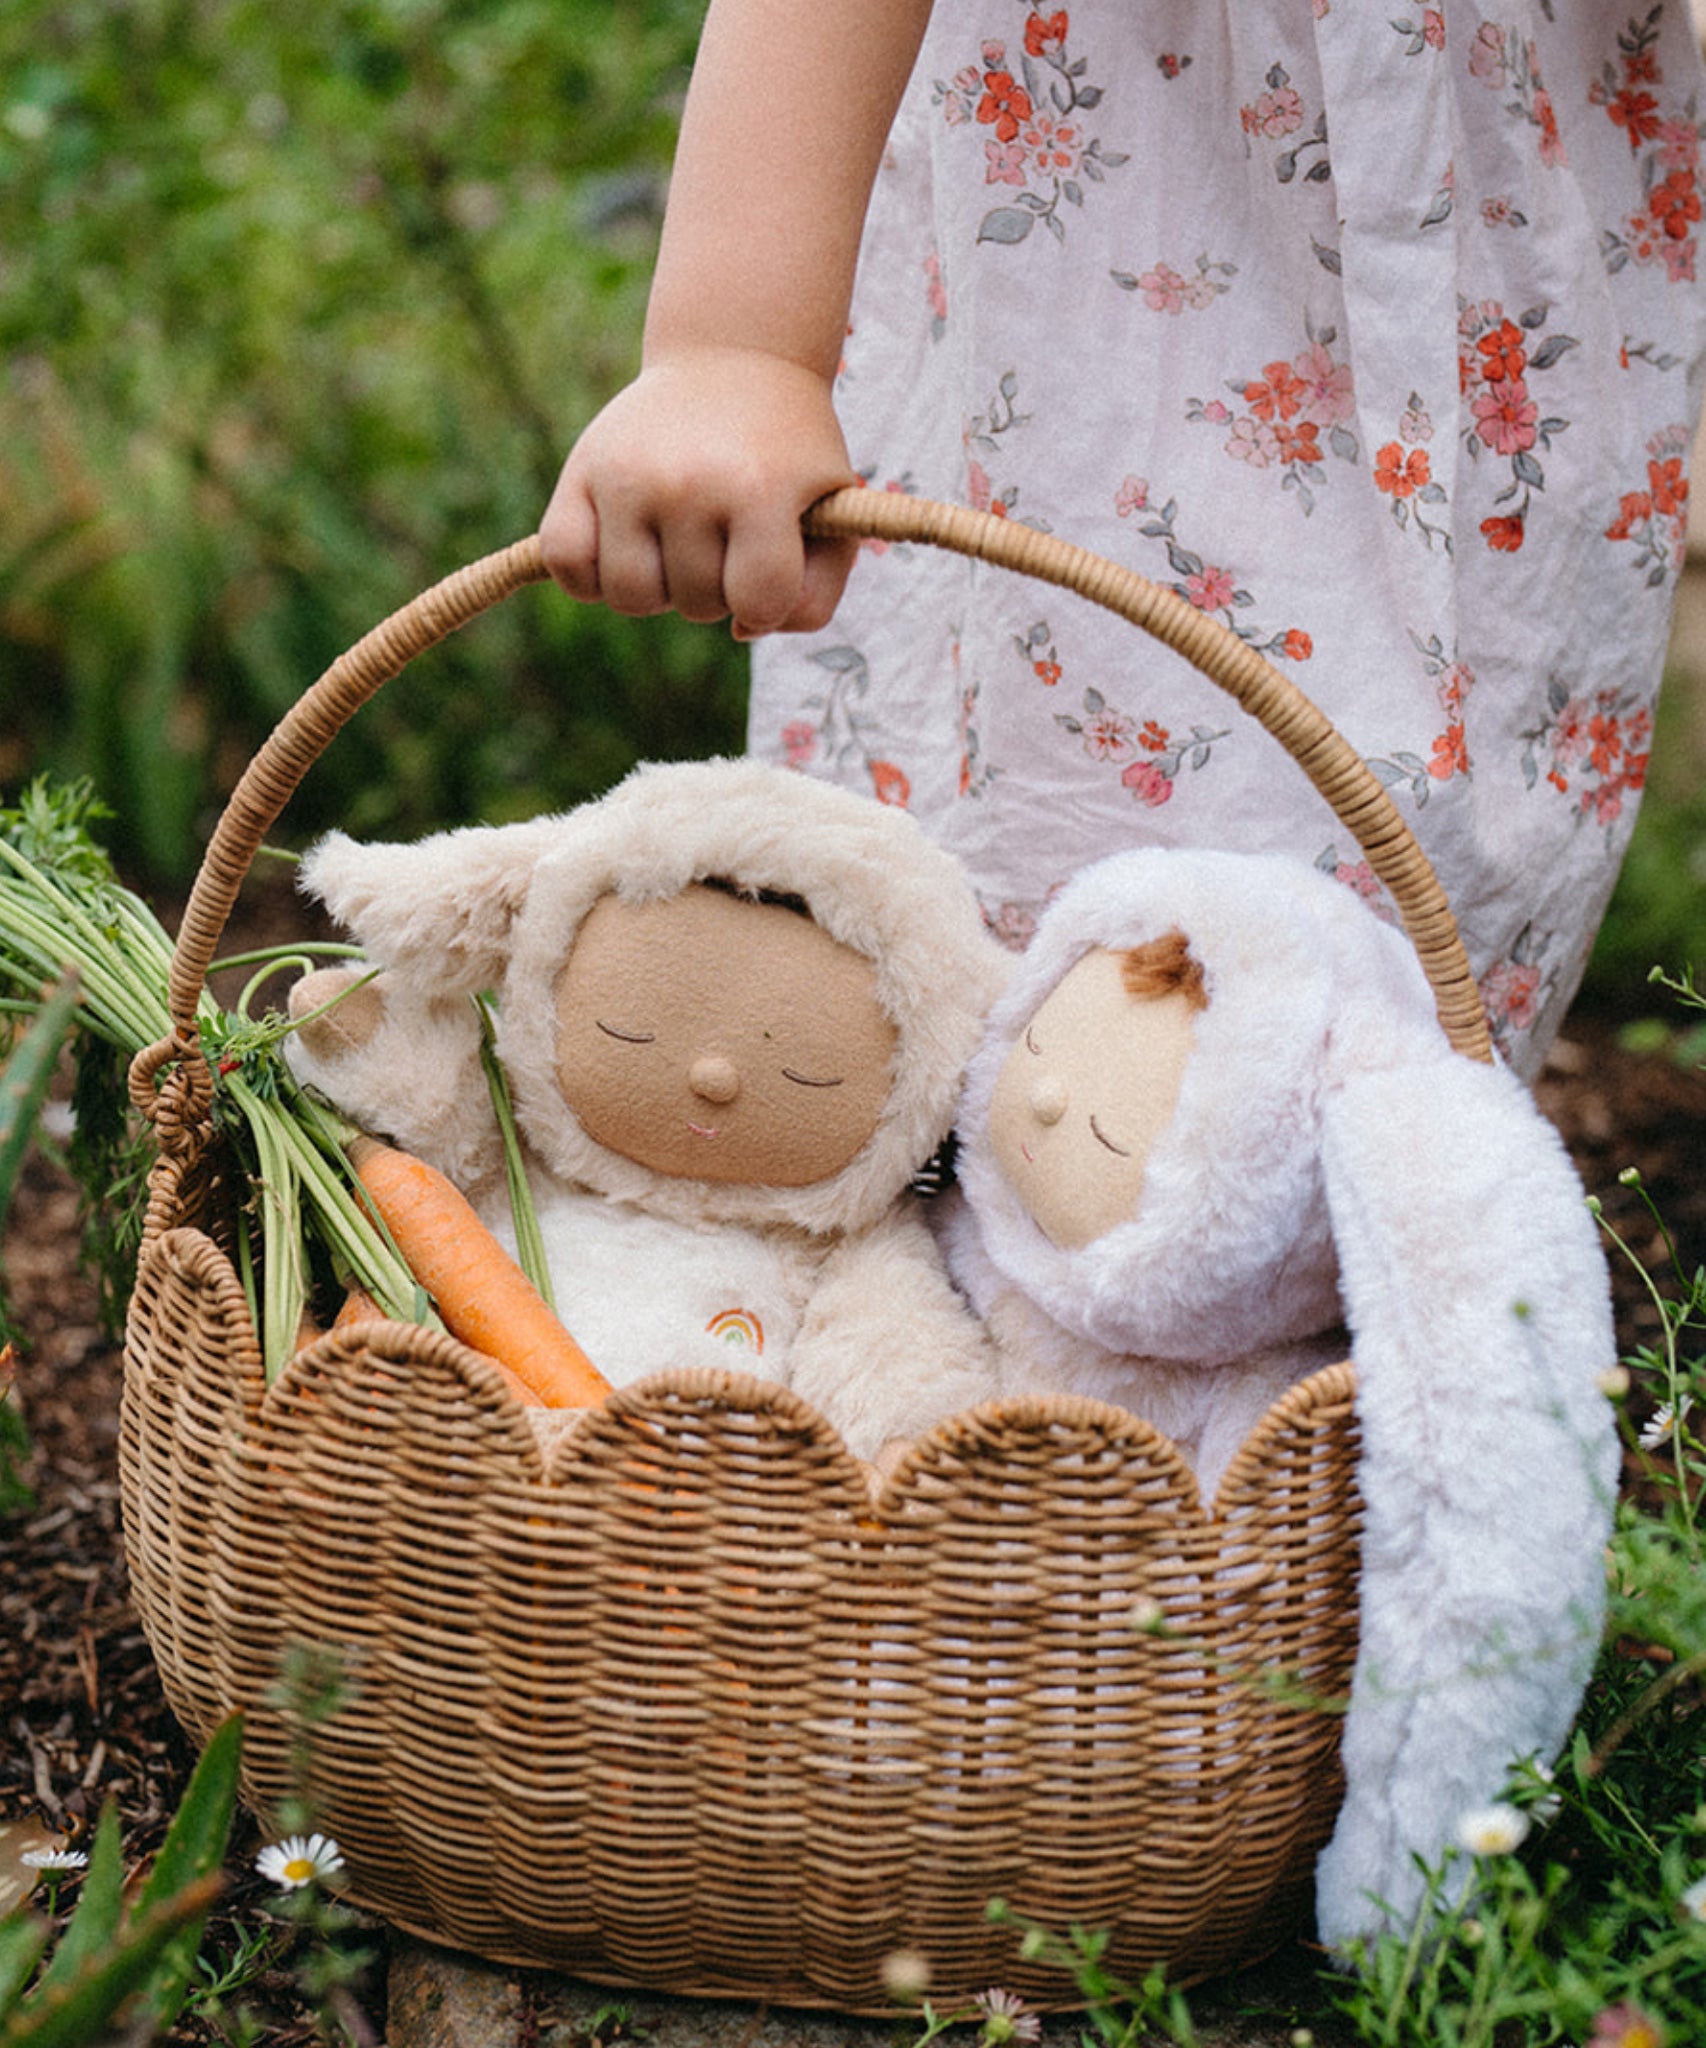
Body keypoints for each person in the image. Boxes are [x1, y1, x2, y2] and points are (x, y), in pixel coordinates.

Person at [541, 0, 1706, 1078]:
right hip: (1098, 244)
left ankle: (1333, 1208)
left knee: (1417, 911)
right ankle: (991, 1197)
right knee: (1040, 861)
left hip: (1490, 231)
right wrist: (736, 347)